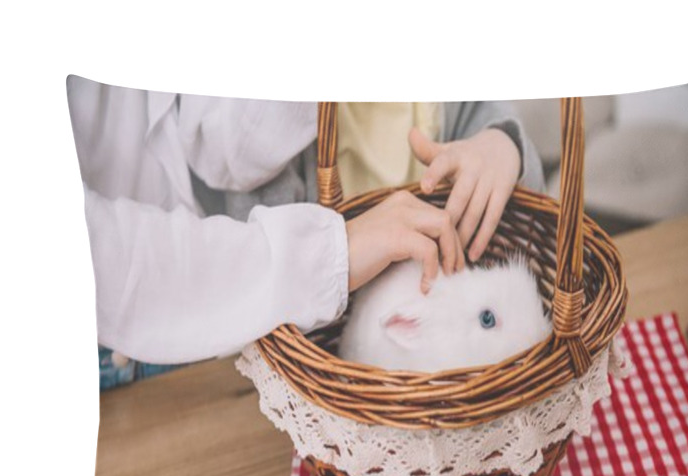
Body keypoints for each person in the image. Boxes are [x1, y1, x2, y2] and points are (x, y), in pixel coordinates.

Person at [66, 77, 544, 388]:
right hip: (219, 345)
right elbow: (232, 148)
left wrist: (502, 146)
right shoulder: (265, 121)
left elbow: (500, 156)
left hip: (223, 329)